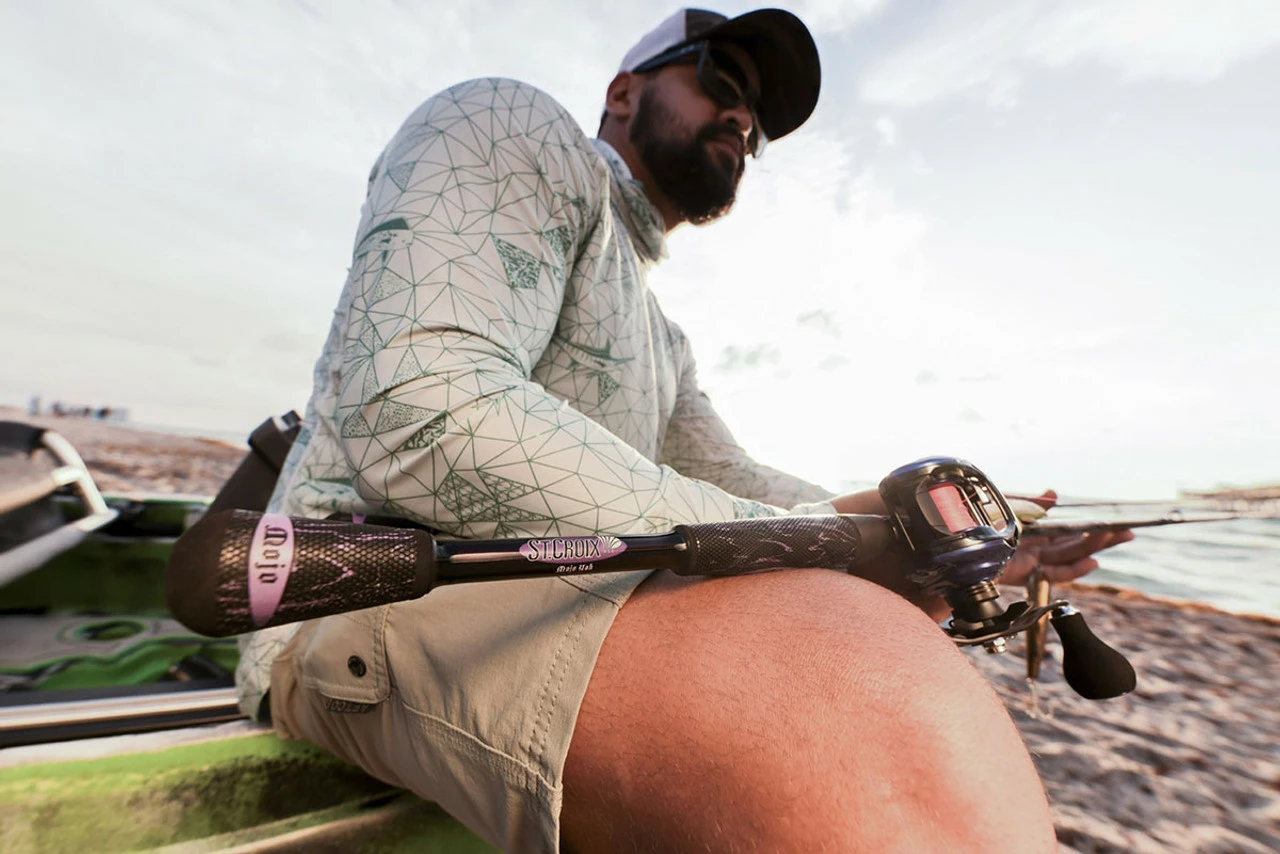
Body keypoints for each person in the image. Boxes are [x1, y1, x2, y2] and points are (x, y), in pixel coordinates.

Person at [236, 8, 1133, 852]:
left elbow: (738, 482)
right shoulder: (509, 124)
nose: (743, 117)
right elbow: (419, 414)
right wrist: (816, 546)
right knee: (851, 690)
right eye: (721, 78)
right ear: (625, 90)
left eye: (759, 122)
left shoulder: (665, 342)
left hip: (555, 596)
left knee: (867, 638)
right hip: (349, 598)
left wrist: (960, 540)